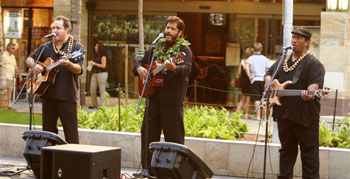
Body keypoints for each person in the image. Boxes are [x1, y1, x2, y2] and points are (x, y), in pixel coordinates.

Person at [133, 16, 192, 176]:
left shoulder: (184, 50)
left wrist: (174, 68)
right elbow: (138, 62)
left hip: (172, 102)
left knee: (174, 138)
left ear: (180, 32)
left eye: (173, 29)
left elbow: (186, 69)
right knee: (148, 135)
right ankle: (147, 169)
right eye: (167, 27)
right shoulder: (155, 48)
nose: (168, 31)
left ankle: (175, 172)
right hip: (153, 100)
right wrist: (139, 69)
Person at [265, 27, 325, 178]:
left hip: (305, 117)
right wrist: (270, 84)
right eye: (293, 37)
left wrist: (309, 94)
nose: (294, 40)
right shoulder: (282, 61)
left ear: (307, 42)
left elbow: (314, 86)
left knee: (309, 153)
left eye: (298, 38)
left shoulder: (314, 64)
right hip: (284, 113)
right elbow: (268, 75)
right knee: (286, 150)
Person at [25, 15, 84, 144]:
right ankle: (49, 163)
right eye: (53, 27)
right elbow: (29, 58)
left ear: (67, 29)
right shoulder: (46, 47)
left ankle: (74, 163)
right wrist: (34, 66)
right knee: (48, 134)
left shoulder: (76, 48)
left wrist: (68, 64)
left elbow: (79, 69)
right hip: (48, 96)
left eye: (58, 28)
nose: (54, 30)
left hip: (67, 97)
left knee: (71, 135)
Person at [246, 42, 270, 119]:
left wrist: (249, 76)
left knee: (256, 98)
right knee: (263, 97)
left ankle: (258, 115)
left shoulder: (251, 58)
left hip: (255, 79)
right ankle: (265, 115)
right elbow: (267, 69)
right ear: (261, 49)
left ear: (254, 49)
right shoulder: (265, 58)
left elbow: (246, 67)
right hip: (263, 79)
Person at [232, 47, 254, 119]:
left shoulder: (242, 61)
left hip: (243, 82)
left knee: (243, 98)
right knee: (248, 99)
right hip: (250, 81)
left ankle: (237, 112)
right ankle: (246, 114)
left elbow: (239, 73)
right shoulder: (251, 62)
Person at [2, 42, 23, 109]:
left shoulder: (13, 56)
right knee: (7, 90)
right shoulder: (3, 55)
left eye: (14, 48)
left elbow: (15, 66)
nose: (14, 50)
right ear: (9, 48)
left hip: (11, 76)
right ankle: (7, 104)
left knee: (10, 90)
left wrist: (19, 75)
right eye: (13, 48)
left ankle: (8, 104)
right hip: (5, 76)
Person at [89, 43, 108, 109]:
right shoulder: (97, 55)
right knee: (92, 89)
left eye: (96, 46)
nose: (95, 47)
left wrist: (94, 64)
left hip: (102, 74)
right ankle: (94, 104)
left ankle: (102, 106)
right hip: (95, 73)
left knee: (102, 90)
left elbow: (103, 66)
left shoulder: (103, 56)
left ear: (99, 47)